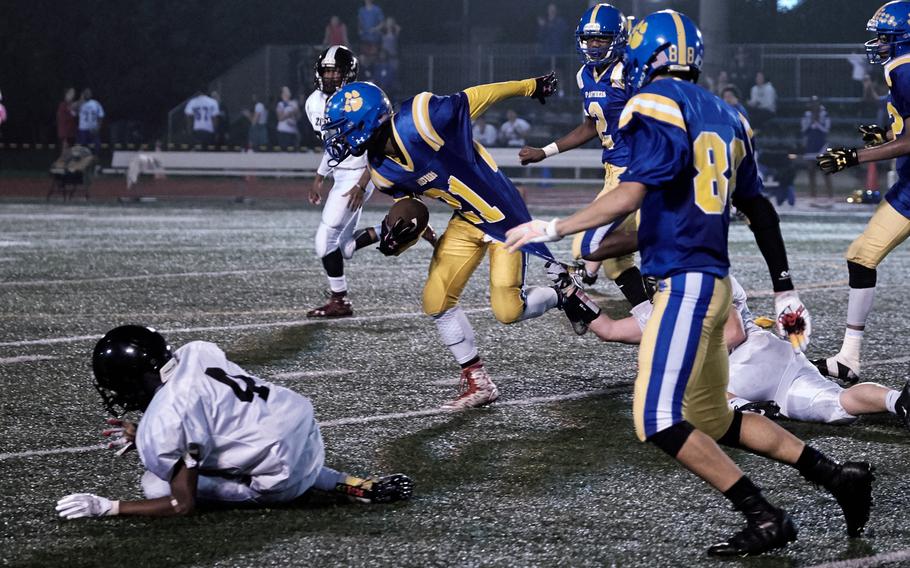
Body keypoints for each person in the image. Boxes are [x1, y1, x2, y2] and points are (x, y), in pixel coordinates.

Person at [505, 11, 872, 556]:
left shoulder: (650, 103)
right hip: (716, 283)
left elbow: (633, 192)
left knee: (654, 418)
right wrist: (784, 287)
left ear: (643, 54)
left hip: (686, 285)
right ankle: (837, 477)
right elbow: (759, 210)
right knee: (711, 417)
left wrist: (555, 227)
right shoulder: (730, 115)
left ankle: (765, 516)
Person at [322, 72, 563, 408]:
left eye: (343, 129)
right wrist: (401, 236)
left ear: (364, 123)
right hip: (464, 220)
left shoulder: (419, 119)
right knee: (436, 301)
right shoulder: (381, 171)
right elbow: (413, 209)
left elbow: (478, 95)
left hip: (501, 218)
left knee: (509, 311)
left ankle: (561, 294)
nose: (339, 139)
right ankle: (478, 380)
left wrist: (530, 86)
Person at [54, 325, 413, 519]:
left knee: (155, 485)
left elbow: (182, 504)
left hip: (280, 476)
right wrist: (153, 433)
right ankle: (345, 482)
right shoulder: (196, 351)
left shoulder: (162, 424)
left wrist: (107, 506)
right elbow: (207, 409)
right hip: (303, 428)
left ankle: (300, 487)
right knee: (250, 441)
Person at [560, 267, 910, 428]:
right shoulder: (692, 284)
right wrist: (572, 297)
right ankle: (898, 401)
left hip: (742, 367)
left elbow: (732, 336)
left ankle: (745, 409)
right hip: (776, 360)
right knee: (836, 403)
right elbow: (607, 329)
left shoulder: (686, 290)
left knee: (672, 387)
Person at [519, 3, 649, 309]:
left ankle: (663, 237)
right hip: (613, 171)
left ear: (617, 38)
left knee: (588, 245)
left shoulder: (628, 72)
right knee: (617, 262)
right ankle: (649, 318)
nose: (593, 45)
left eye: (601, 38)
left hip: (637, 172)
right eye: (589, 39)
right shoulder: (584, 75)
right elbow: (590, 125)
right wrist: (545, 151)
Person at [815, 0, 910, 383]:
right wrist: (885, 134)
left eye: (884, 38)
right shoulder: (900, 69)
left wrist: (857, 156)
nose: (878, 44)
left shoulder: (906, 70)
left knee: (862, 256)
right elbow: (904, 130)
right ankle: (849, 359)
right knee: (861, 256)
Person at [304, 46, 374, 318]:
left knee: (324, 242)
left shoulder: (362, 98)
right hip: (340, 172)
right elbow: (331, 144)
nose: (330, 76)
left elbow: (377, 145)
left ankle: (340, 300)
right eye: (326, 70)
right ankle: (393, 227)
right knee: (344, 248)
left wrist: (362, 183)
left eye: (335, 71)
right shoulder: (313, 102)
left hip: (359, 172)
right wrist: (319, 176)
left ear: (348, 73)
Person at [802, 96, 833, 200]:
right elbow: (804, 130)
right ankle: (812, 193)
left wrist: (817, 122)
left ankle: (830, 194)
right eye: (812, 103)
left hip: (821, 144)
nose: (814, 106)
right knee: (811, 170)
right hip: (811, 144)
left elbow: (826, 130)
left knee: (825, 169)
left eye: (816, 103)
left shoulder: (825, 114)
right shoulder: (806, 115)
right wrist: (811, 121)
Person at [76, 88, 104, 155]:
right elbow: (74, 112)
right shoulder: (79, 103)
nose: (88, 94)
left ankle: (96, 159)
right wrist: (81, 99)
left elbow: (101, 115)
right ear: (83, 94)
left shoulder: (95, 103)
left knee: (97, 146)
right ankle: (84, 162)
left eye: (89, 93)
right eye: (86, 93)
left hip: (93, 128)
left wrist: (98, 127)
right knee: (83, 148)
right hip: (83, 129)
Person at [275, 86, 300, 150]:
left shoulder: (294, 103)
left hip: (293, 131)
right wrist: (289, 113)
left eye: (288, 91)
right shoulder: (280, 104)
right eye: (285, 91)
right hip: (283, 131)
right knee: (284, 150)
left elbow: (298, 116)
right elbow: (280, 118)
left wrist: (295, 112)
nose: (287, 93)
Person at [57, 87, 77, 152]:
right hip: (65, 134)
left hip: (71, 133)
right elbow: (64, 119)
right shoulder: (63, 105)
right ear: (66, 94)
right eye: (71, 93)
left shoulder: (72, 104)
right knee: (64, 154)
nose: (73, 95)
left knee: (71, 154)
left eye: (73, 93)